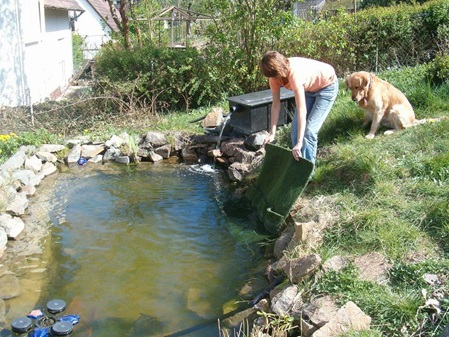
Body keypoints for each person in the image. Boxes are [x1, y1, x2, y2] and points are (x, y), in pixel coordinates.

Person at [260, 51, 338, 164]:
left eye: (275, 76)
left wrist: (300, 142)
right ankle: (298, 164)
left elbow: (302, 110)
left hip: (327, 86)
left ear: (280, 69)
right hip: (309, 89)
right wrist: (272, 133)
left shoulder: (295, 74)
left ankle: (307, 172)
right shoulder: (274, 77)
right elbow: (276, 105)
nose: (274, 79)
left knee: (309, 131)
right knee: (295, 131)